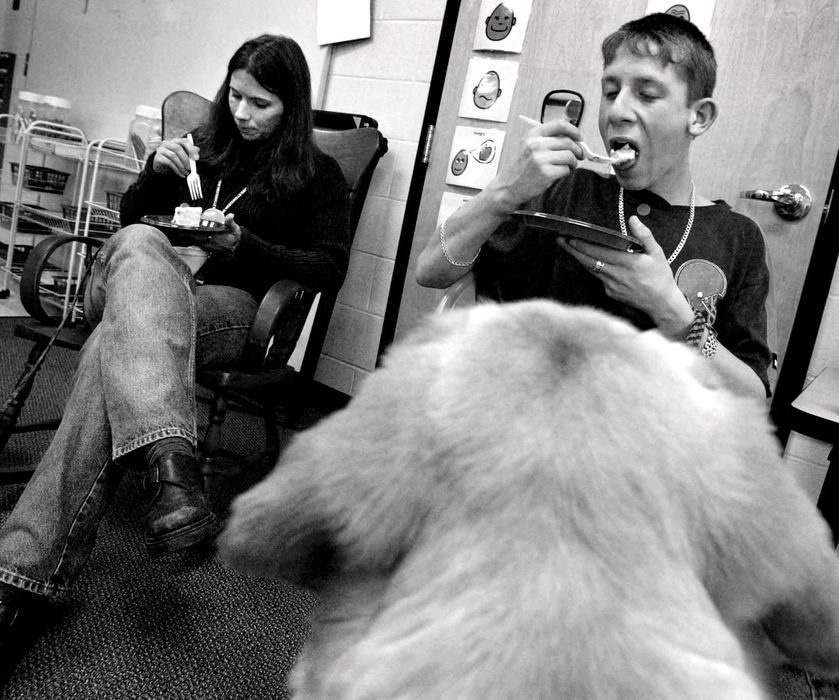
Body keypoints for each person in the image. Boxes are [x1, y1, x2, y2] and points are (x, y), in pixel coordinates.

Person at [0, 34, 351, 665]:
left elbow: (328, 268)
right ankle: (171, 452)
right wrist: (151, 178)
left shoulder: (315, 177)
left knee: (117, 343)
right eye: (236, 96)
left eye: (262, 104)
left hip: (222, 305)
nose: (243, 114)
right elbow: (128, 229)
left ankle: (17, 576)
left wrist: (242, 246)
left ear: (291, 107)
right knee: (137, 240)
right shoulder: (200, 147)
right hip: (134, 283)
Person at [417, 13, 770, 399]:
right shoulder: (559, 191)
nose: (617, 111)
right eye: (610, 90)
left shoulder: (737, 237)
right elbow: (431, 271)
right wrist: (503, 191)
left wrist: (672, 313)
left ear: (698, 117)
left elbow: (750, 395)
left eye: (647, 94)